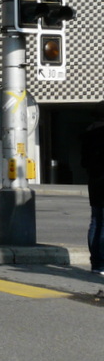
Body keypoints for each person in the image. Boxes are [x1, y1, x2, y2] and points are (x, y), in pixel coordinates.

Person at [79, 101, 104, 274]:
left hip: (94, 182)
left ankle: (96, 264)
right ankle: (102, 263)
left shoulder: (88, 133)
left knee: (96, 221)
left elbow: (84, 162)